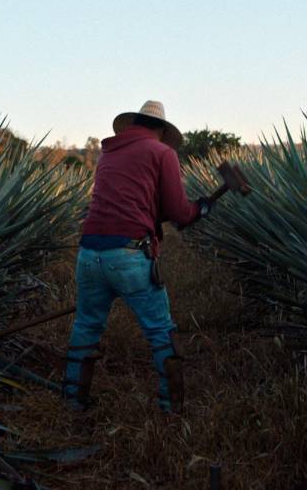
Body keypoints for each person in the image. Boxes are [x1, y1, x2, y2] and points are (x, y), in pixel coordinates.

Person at [62, 100, 210, 413]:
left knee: (87, 326)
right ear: (160, 131)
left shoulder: (108, 154)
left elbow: (141, 204)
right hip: (128, 256)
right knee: (159, 330)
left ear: (133, 125)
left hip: (89, 254)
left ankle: (72, 401)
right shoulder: (162, 153)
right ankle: (171, 409)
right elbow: (177, 212)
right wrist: (201, 209)